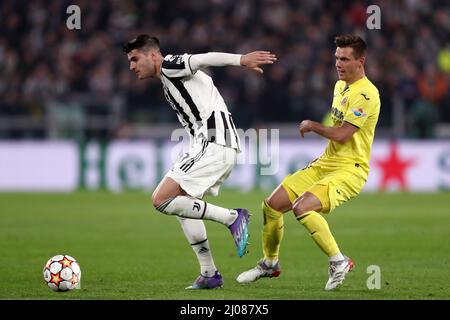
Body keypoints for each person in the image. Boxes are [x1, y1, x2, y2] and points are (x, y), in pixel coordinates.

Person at [123, 34, 277, 289]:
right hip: (214, 144)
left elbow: (204, 59)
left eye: (134, 59)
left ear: (152, 55)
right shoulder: (168, 78)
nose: (131, 66)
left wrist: (242, 60)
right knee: (182, 203)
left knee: (161, 199)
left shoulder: (170, 65)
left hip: (214, 143)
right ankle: (209, 274)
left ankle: (232, 217)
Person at [237, 34, 380, 291]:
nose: (338, 63)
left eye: (345, 59)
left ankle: (339, 261)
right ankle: (270, 264)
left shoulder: (367, 95)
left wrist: (313, 125)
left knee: (302, 208)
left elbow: (343, 134)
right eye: (336, 58)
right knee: (272, 206)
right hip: (326, 163)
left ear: (361, 62)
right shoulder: (341, 86)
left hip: (350, 170)